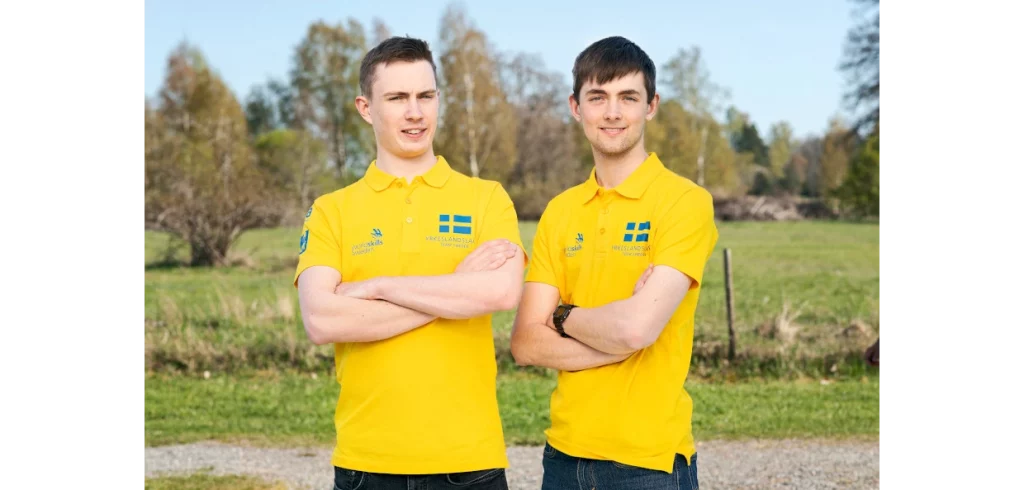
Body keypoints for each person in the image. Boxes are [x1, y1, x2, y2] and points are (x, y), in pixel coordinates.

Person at [293, 36, 526, 490]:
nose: (415, 112)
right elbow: (322, 319)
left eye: (425, 96)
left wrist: (376, 286)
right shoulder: (331, 211)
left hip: (469, 464)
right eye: (397, 98)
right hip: (367, 465)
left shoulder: (486, 199)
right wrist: (455, 288)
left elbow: (499, 292)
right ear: (366, 107)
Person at [509, 36, 718, 490]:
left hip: (650, 464)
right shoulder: (560, 211)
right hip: (563, 458)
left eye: (628, 97)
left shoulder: (684, 202)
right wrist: (619, 341)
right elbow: (526, 342)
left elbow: (635, 330)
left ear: (651, 105)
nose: (612, 112)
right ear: (575, 106)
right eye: (597, 97)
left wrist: (561, 316)